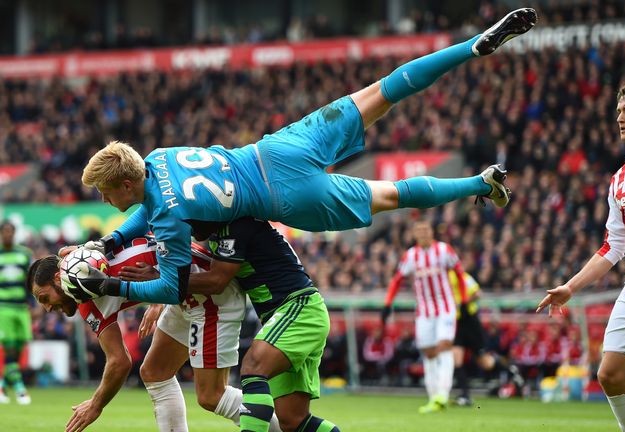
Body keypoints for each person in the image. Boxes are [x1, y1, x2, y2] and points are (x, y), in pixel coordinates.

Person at [64, 8, 537, 306]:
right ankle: (471, 47)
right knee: (380, 92)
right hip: (278, 148)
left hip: (285, 196)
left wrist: (108, 285)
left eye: (106, 192)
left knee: (392, 195)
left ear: (126, 183)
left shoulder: (169, 216)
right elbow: (152, 202)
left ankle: (480, 183)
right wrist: (109, 244)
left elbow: (171, 286)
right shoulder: (160, 157)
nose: (106, 201)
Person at [37, 236, 280, 432]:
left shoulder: (87, 296)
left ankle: (290, 427)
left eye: (45, 298)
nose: (47, 308)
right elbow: (151, 246)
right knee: (155, 373)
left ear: (59, 278)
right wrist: (157, 296)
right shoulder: (92, 261)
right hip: (185, 296)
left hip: (211, 295)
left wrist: (96, 405)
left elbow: (119, 362)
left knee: (211, 396)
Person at [537, 82, 625, 432]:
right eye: (618, 112)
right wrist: (570, 287)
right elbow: (613, 247)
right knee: (610, 375)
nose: (620, 118)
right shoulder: (619, 179)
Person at [188, 217, 339, 432]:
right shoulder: (221, 230)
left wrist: (163, 282)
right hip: (291, 313)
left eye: (192, 219)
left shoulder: (237, 226)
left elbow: (216, 282)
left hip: (298, 309)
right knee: (293, 421)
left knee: (253, 366)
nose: (190, 227)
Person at [381, 220, 467, 413]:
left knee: (444, 346)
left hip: (446, 308)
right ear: (414, 234)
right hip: (424, 311)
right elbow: (397, 280)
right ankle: (433, 397)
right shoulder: (411, 256)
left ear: (431, 231)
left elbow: (460, 274)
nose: (422, 233)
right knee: (429, 353)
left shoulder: (444, 250)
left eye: (425, 229)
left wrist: (465, 299)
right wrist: (388, 303)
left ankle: (442, 395)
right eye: (418, 230)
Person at [449, 270, 523, 406]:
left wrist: (462, 303)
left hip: (470, 323)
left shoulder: (461, 276)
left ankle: (511, 371)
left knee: (485, 362)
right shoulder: (442, 279)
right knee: (456, 360)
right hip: (457, 324)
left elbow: (478, 294)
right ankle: (465, 396)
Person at [0, 220, 33, 405]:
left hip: (21, 307)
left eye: (10, 231)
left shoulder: (25, 254)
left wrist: (34, 304)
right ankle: (19, 389)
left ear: (14, 233)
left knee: (19, 347)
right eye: (4, 232)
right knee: (9, 346)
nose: (7, 235)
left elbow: (31, 282)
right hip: (2, 306)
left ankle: (1, 384)